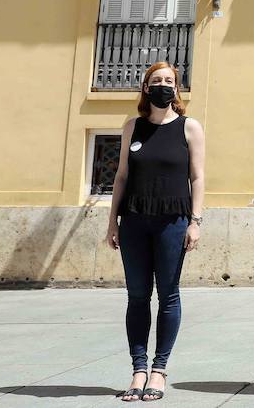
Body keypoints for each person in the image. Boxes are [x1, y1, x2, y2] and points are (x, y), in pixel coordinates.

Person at [106, 62, 206, 402]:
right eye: (156, 80)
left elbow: (198, 177)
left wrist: (196, 221)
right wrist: (112, 222)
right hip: (134, 221)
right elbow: (121, 176)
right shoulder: (132, 127)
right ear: (145, 88)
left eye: (169, 81)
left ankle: (159, 370)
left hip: (173, 222)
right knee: (136, 296)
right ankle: (138, 369)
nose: (163, 85)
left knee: (168, 295)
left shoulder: (189, 127)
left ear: (176, 89)